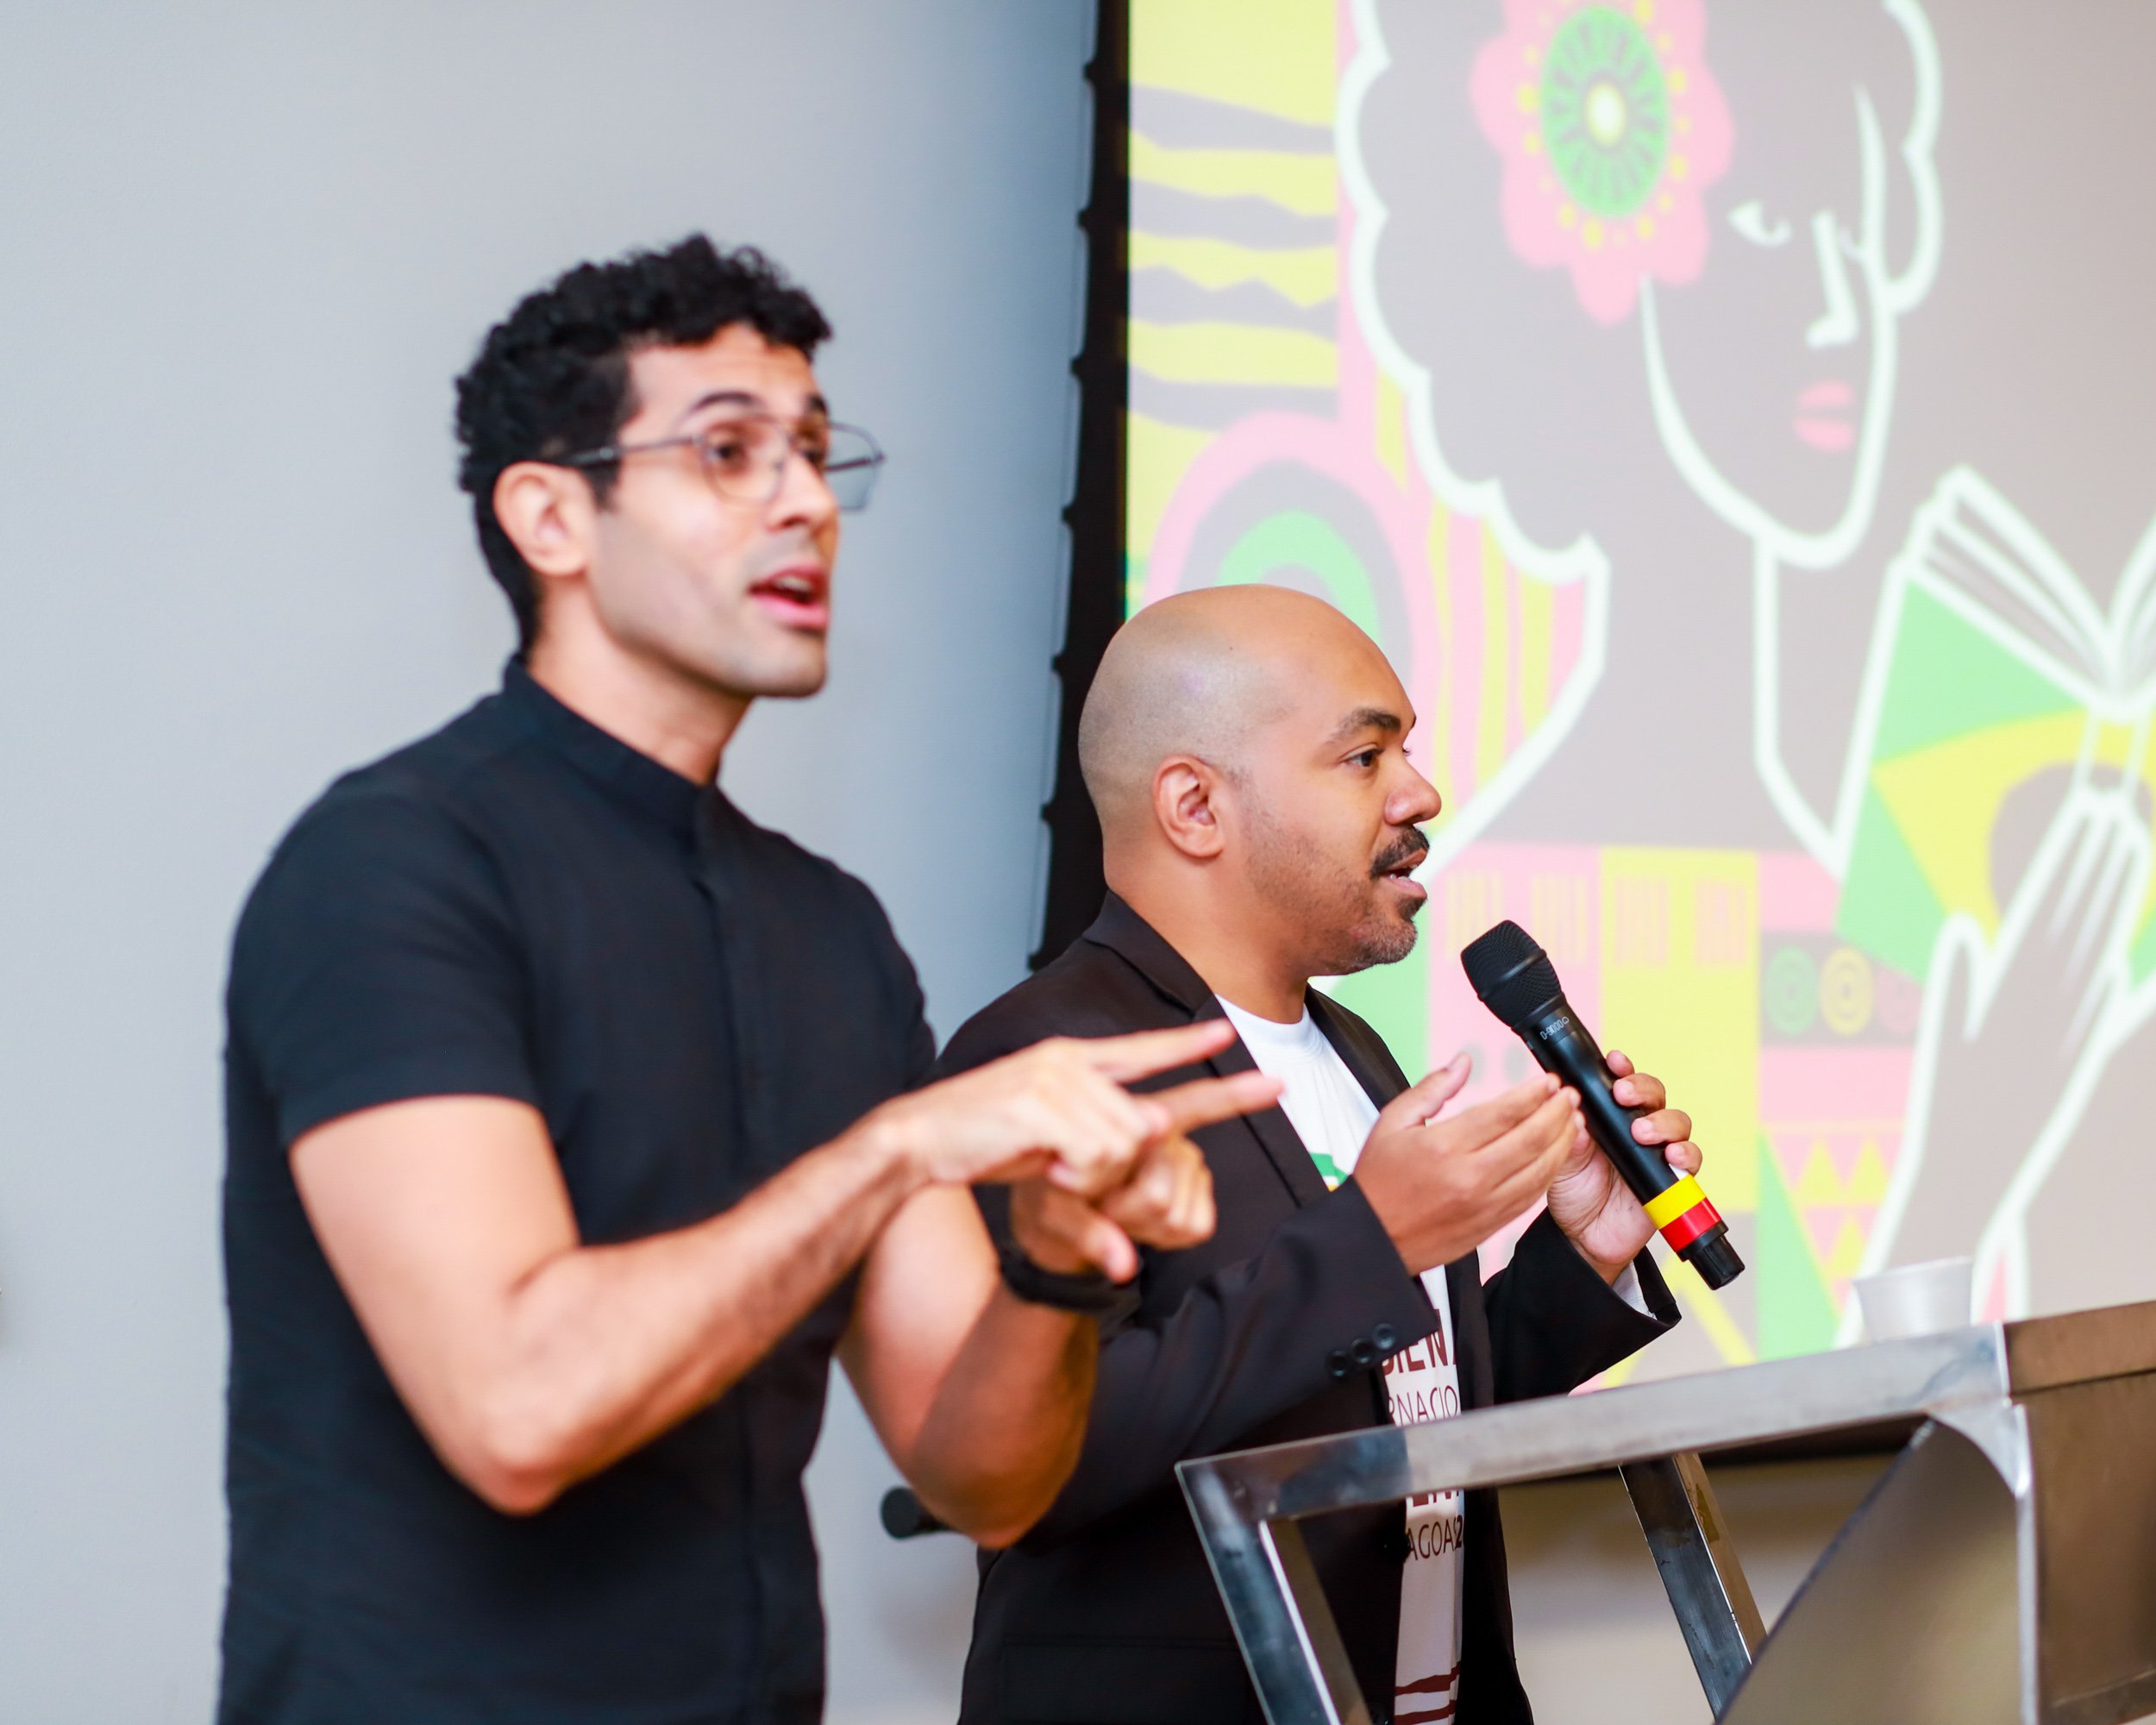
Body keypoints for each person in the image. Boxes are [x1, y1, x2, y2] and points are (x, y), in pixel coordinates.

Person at [216, 237, 1280, 1725]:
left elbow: (981, 1478)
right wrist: (892, 1150)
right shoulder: (393, 867)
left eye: (815, 453)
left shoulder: (828, 930)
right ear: (551, 516)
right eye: (727, 453)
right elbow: (518, 1408)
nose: (803, 502)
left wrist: (1052, 1265)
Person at [946, 585, 1704, 1725]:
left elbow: (1401, 1417)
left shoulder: (1354, 1049)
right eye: (1364, 756)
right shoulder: (1046, 1061)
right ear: (1195, 806)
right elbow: (1038, 1460)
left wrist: (1581, 1258)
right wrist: (1374, 1240)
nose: (1420, 793)